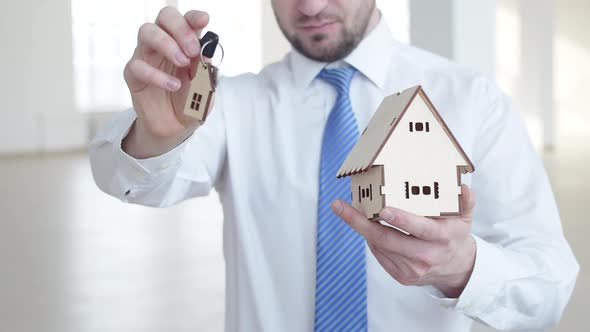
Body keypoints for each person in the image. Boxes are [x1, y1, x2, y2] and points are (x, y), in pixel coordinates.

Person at [89, 1, 579, 331]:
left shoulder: (471, 101)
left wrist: (466, 269)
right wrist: (155, 134)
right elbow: (132, 181)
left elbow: (551, 283)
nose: (309, 6)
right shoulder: (232, 106)